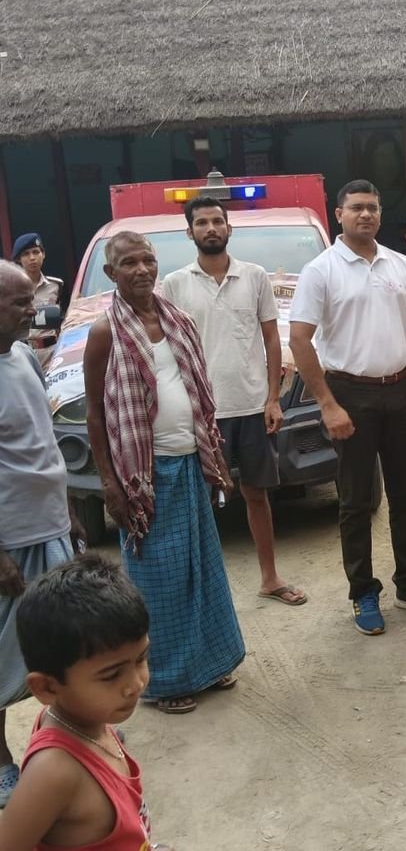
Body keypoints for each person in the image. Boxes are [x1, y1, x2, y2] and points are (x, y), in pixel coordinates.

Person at [83, 231, 245, 713]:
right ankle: (168, 682)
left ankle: (211, 664)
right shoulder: (105, 332)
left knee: (203, 570)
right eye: (128, 263)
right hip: (146, 480)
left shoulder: (177, 319)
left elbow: (198, 392)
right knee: (159, 580)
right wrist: (110, 484)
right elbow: (95, 412)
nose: (141, 270)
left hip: (192, 463)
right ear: (111, 274)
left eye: (147, 261)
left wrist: (215, 460)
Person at [289, 180, 406, 635]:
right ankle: (363, 591)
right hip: (349, 394)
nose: (366, 215)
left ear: (381, 215)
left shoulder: (399, 265)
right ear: (338, 214)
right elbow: (299, 340)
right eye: (357, 207)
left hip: (402, 389)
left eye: (373, 208)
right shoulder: (321, 271)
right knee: (356, 500)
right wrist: (327, 404)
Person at [161, 196, 307, 606]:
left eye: (217, 221)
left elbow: (271, 339)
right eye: (202, 222)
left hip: (252, 406)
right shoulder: (174, 284)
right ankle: (203, 593)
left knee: (257, 493)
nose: (211, 228)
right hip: (203, 412)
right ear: (189, 231)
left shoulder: (254, 276)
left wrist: (273, 399)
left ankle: (270, 578)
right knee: (203, 501)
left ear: (229, 228)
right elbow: (172, 350)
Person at [0, 553, 171, 851]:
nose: (136, 684)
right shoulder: (54, 771)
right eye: (112, 675)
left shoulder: (89, 719)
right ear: (47, 687)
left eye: (141, 658)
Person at [0, 261, 75, 808]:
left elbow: (43, 438)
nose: (34, 310)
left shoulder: (23, 355)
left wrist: (67, 508)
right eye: (20, 303)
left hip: (51, 527)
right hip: (11, 540)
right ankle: (2, 766)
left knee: (64, 644)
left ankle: (68, 740)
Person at [11, 232, 63, 364]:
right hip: (22, 355)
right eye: (26, 254)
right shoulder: (11, 290)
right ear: (18, 259)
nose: (32, 258)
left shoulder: (57, 286)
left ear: (43, 254)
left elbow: (66, 319)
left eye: (36, 252)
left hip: (52, 352)